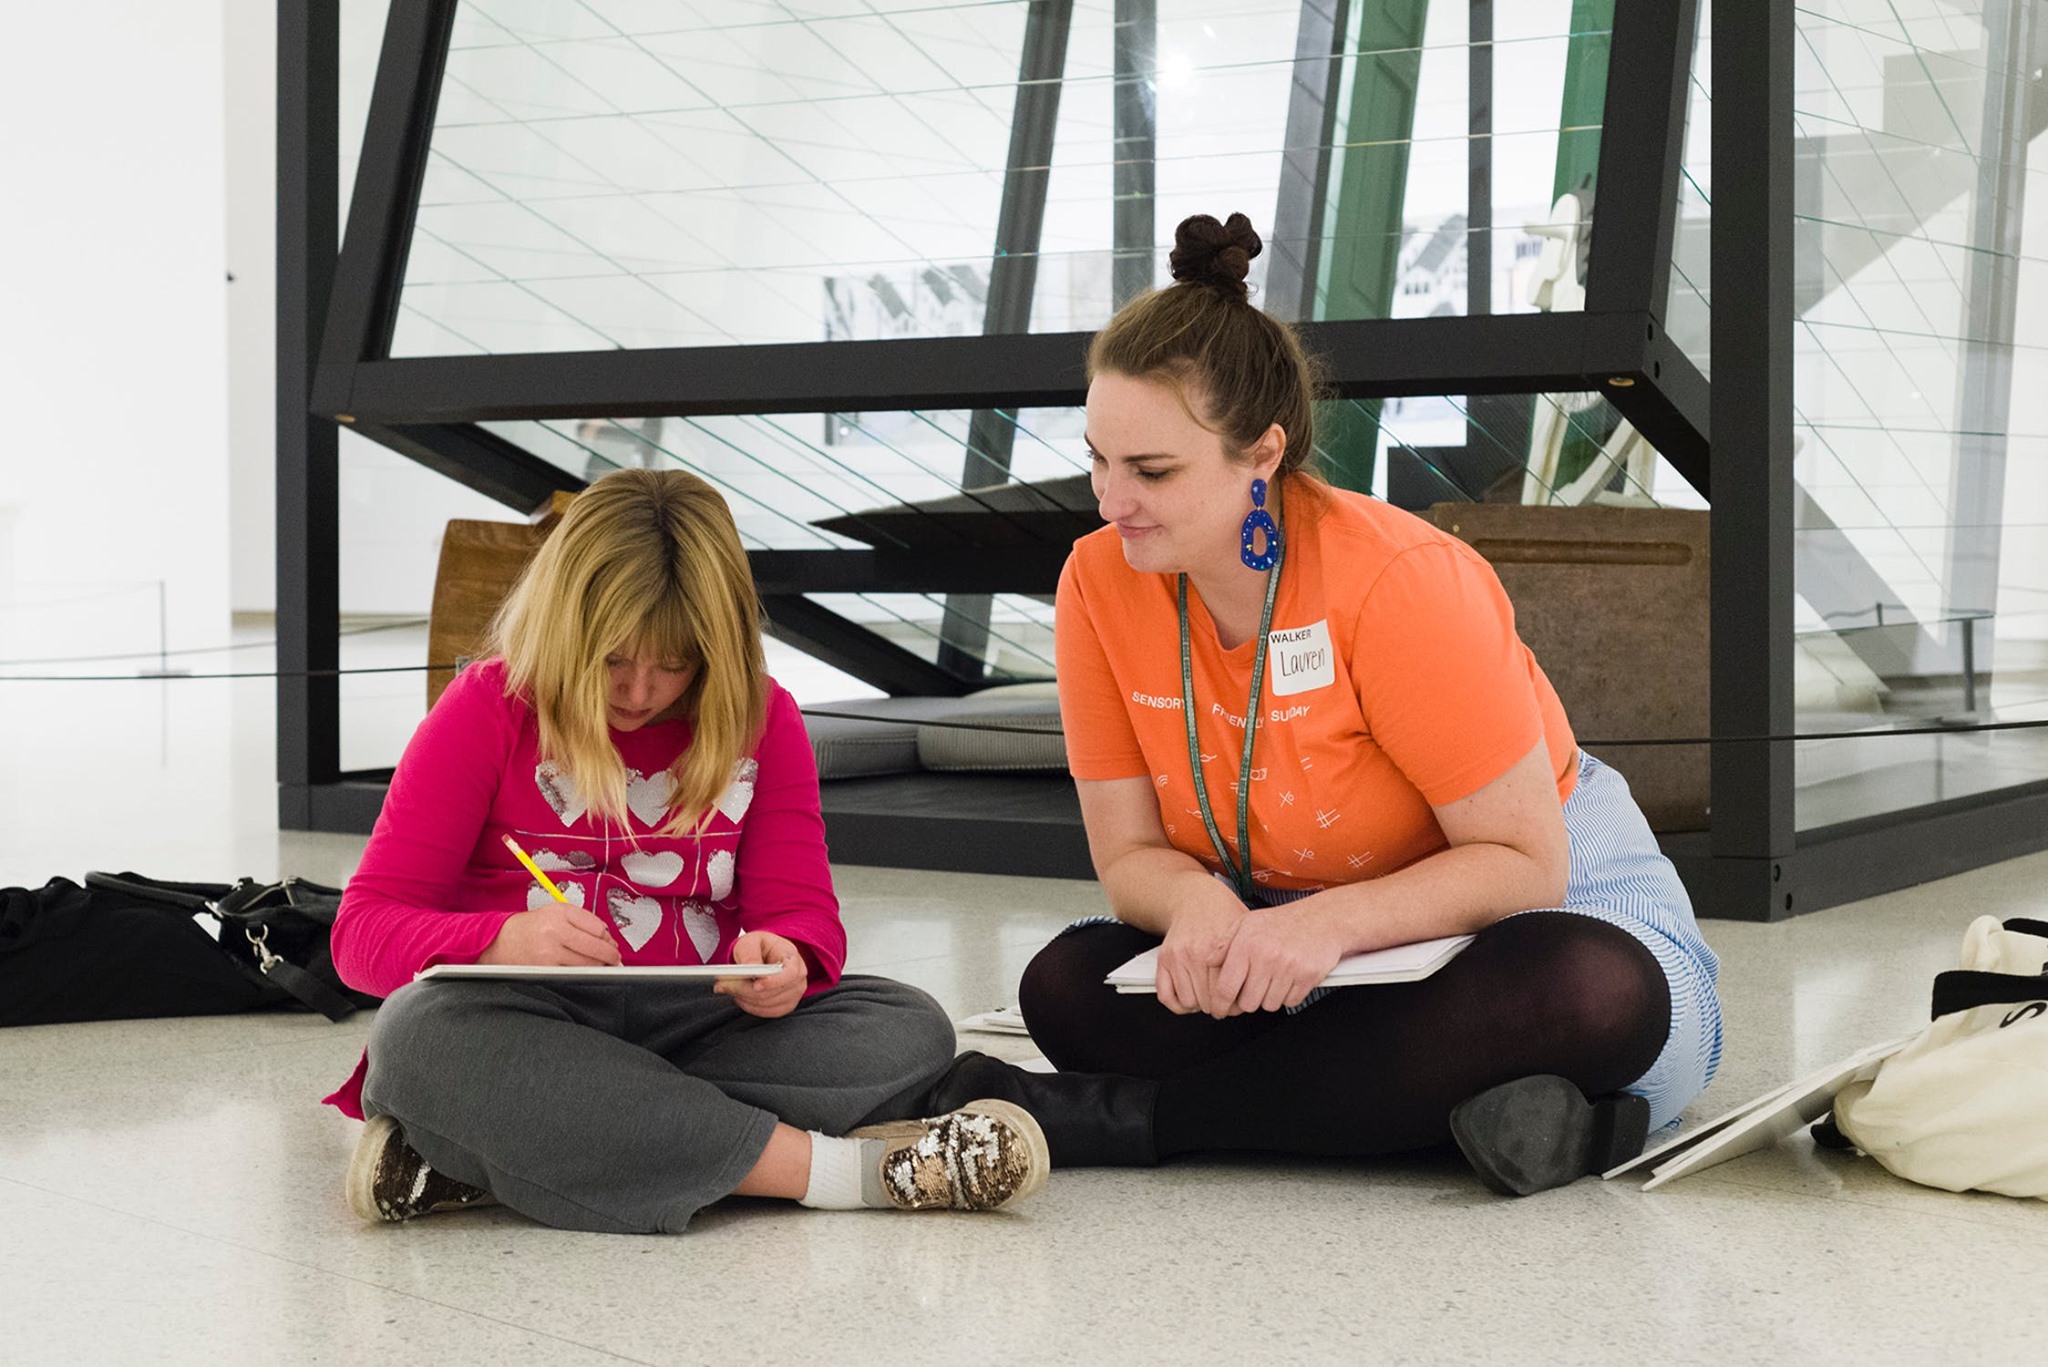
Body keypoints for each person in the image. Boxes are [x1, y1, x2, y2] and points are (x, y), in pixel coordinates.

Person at [913, 213, 1722, 1196]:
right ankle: (1461, 1110)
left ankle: (1145, 1118)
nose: (1107, 499)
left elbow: (1522, 861)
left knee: (1591, 996)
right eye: (1097, 459)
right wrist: (1201, 906)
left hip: (1526, 894)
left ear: (1260, 453)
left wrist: (1324, 928)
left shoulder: (1398, 579)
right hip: (1280, 924)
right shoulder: (1095, 582)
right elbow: (1128, 856)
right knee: (1065, 986)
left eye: (1151, 470)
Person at [323, 468, 1047, 1232]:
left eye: (674, 662)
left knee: (907, 1023)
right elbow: (359, 935)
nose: (640, 691)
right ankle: (842, 1171)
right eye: (611, 660)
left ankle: (511, 1148)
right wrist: (499, 937)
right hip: (522, 1017)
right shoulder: (487, 708)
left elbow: (802, 912)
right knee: (414, 1041)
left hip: (695, 1017)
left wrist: (788, 957)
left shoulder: (763, 717)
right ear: (564, 629)